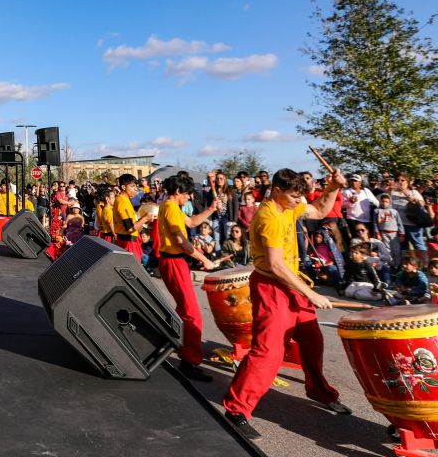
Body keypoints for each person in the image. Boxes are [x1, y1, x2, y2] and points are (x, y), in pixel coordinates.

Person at [223, 167, 351, 440]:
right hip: (272, 286)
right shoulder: (268, 216)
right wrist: (312, 294)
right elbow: (275, 265)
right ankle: (236, 409)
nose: (298, 201)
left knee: (312, 340)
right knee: (268, 351)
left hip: (292, 284)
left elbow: (317, 211)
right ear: (277, 191)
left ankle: (318, 390)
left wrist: (334, 188)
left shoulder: (287, 207)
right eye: (294, 196)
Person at [155, 174, 217, 382]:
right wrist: (204, 259)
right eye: (188, 195)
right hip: (173, 262)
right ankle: (188, 361)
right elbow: (182, 241)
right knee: (192, 314)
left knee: (183, 311)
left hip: (173, 262)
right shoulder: (170, 208)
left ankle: (175, 348)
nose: (190, 198)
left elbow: (190, 222)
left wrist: (210, 210)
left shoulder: (171, 206)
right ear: (178, 192)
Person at [374, 194, 403, 269]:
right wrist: (377, 233)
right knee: (387, 250)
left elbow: (399, 223)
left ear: (390, 202)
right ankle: (391, 265)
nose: (384, 203)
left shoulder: (394, 212)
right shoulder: (377, 211)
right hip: (383, 233)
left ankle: (398, 264)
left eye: (387, 202)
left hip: (394, 233)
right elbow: (375, 223)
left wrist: (402, 234)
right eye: (383, 201)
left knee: (396, 250)